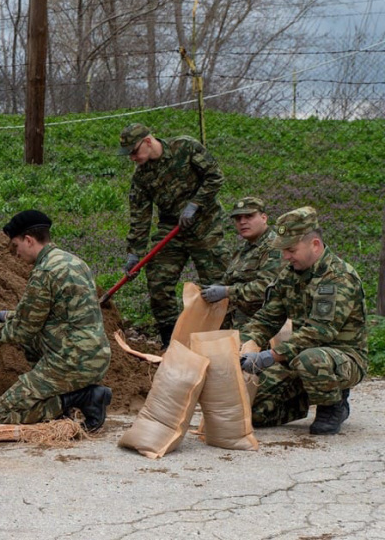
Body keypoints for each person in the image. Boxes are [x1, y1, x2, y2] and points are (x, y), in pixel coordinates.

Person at [0, 210, 112, 432]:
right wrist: (7, 315)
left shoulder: (44, 272)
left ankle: (81, 398)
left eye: (15, 246)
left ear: (28, 240)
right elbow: (55, 313)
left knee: (5, 411)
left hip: (71, 362)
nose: (16, 254)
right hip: (96, 356)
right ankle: (66, 393)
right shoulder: (74, 261)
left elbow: (22, 332)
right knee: (32, 341)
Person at [239, 207, 367, 435]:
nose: (286, 256)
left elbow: (320, 332)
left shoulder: (337, 278)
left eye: (291, 250)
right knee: (254, 412)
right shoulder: (289, 276)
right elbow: (267, 318)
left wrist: (270, 356)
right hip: (297, 356)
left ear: (314, 244)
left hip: (342, 357)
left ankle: (333, 404)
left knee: (311, 359)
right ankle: (306, 394)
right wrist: (242, 345)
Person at [118, 123, 230, 348]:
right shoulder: (141, 177)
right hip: (172, 228)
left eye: (134, 151)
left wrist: (195, 204)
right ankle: (170, 339)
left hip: (205, 224)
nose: (132, 157)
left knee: (217, 282)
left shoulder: (186, 148)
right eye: (128, 153)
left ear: (148, 142)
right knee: (158, 279)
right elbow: (140, 216)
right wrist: (134, 254)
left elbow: (215, 176)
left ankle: (225, 337)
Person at [200, 197, 286, 329]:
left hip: (262, 326)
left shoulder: (274, 248)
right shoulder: (243, 250)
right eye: (238, 218)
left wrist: (227, 291)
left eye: (249, 216)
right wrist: (211, 290)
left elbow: (267, 288)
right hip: (235, 323)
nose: (242, 222)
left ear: (264, 218)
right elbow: (229, 281)